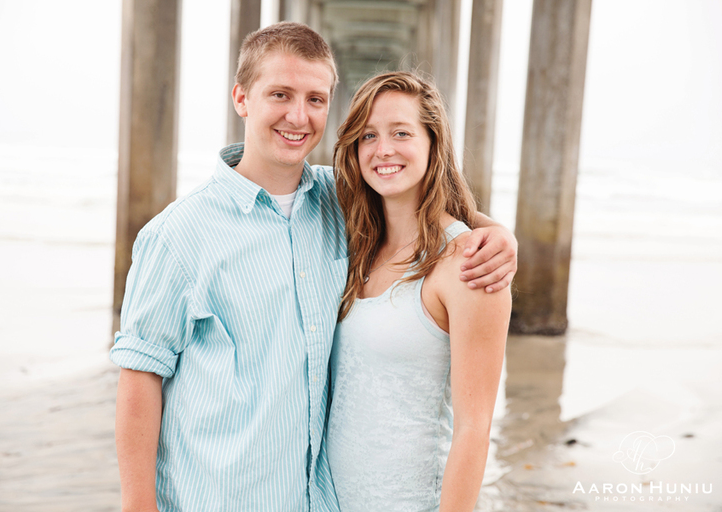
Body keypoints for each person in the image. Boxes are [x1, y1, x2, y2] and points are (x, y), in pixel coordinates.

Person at [111, 23, 516, 512]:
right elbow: (139, 380)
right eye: (280, 94)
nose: (298, 116)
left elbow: (408, 188)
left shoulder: (336, 200)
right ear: (241, 98)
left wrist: (495, 232)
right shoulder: (176, 235)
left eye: (316, 99)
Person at [327, 71, 511, 511]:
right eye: (367, 135)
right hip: (327, 500)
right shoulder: (352, 241)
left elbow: (474, 428)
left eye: (401, 132)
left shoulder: (468, 262)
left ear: (433, 143)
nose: (383, 149)